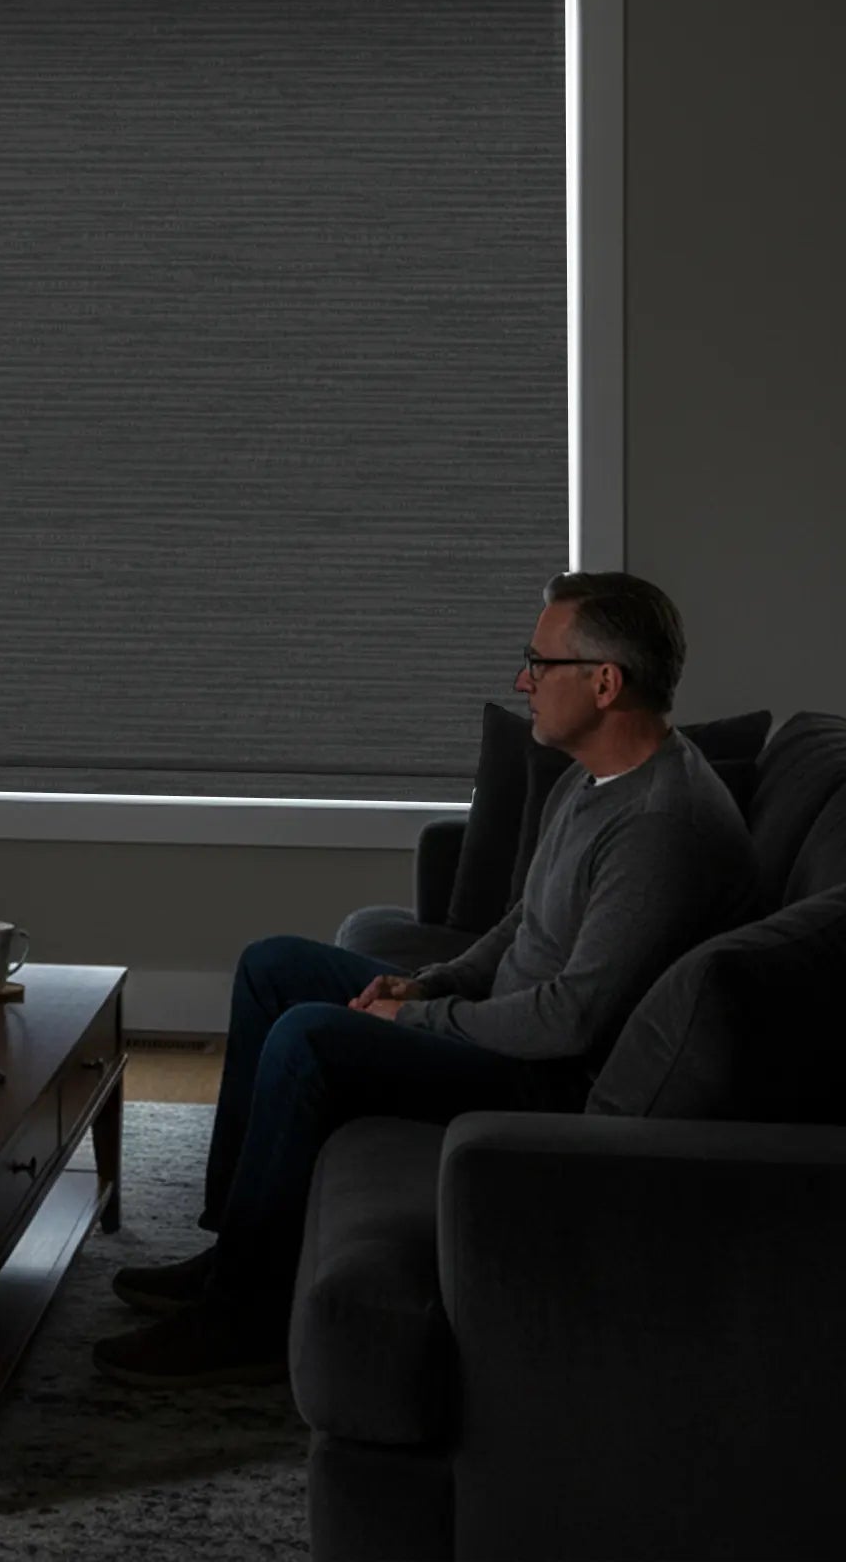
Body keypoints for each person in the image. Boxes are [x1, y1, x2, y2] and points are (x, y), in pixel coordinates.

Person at [94, 571, 759, 1388]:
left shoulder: (662, 826)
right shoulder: (598, 779)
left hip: (540, 1080)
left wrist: (419, 1025)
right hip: (500, 1023)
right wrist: (432, 982)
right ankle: (240, 1249)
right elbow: (523, 920)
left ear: (605, 682)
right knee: (274, 967)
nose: (523, 682)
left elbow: (572, 1019)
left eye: (538, 663)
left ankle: (247, 1319)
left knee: (310, 1037)